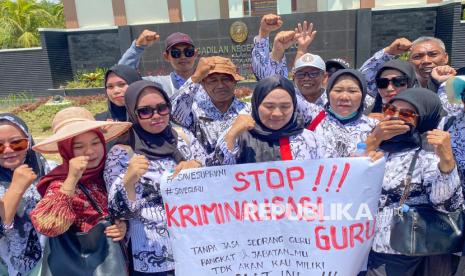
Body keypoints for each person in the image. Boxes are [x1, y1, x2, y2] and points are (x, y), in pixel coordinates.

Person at [104, 80, 207, 275]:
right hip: (152, 255)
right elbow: (119, 214)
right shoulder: (122, 153)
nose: (156, 116)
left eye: (162, 108)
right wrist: (129, 180)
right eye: (145, 111)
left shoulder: (183, 137)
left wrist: (198, 167)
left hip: (195, 248)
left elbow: (213, 182)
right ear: (133, 113)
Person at [365, 88, 463, 276]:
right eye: (390, 110)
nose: (395, 117)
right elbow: (347, 181)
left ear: (424, 118)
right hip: (360, 244)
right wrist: (373, 141)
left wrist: (447, 162)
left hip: (397, 249)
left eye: (406, 113)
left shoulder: (428, 153)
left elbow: (447, 205)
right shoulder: (377, 141)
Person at [29, 107, 131, 268]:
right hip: (82, 267)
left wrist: (122, 226)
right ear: (65, 150)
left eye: (96, 142)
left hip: (115, 264)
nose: (90, 151)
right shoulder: (59, 183)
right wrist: (71, 179)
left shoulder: (109, 172)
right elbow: (48, 226)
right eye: (78, 146)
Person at [216, 75, 330, 164]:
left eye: (285, 106)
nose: (277, 113)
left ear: (294, 106)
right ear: (256, 105)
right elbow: (215, 178)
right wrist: (231, 135)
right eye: (269, 106)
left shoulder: (311, 140)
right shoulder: (237, 136)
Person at [0, 113, 50, 275]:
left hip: (53, 262)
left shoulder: (49, 170)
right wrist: (16, 188)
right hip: (7, 266)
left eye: (17, 143)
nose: (8, 150)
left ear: (28, 142)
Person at [170, 56, 250, 156]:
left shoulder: (249, 111)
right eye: (213, 80)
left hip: (245, 170)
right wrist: (196, 77)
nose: (220, 85)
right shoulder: (195, 113)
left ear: (235, 82)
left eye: (226, 79)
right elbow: (173, 114)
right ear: (203, 84)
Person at [295, 69, 378, 157]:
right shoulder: (313, 115)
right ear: (328, 94)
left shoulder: (375, 127)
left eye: (352, 91)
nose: (344, 97)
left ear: (363, 95)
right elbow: (285, 93)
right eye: (338, 90)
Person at [360, 36, 451, 96]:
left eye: (433, 54)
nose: (426, 61)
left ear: (445, 57)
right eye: (417, 56)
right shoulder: (399, 86)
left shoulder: (459, 84)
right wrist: (389, 52)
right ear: (409, 61)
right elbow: (363, 80)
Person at [119, 30, 198, 97]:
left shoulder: (209, 81)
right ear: (166, 57)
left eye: (188, 52)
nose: (183, 56)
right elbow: (122, 76)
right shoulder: (159, 85)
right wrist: (137, 48)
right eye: (176, 53)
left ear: (195, 54)